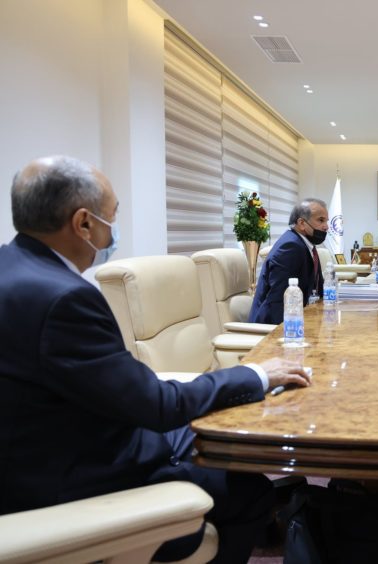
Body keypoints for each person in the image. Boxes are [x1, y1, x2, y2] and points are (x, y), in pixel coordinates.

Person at [0, 156, 314, 563]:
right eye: (112, 217)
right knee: (246, 488)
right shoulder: (64, 299)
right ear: (83, 223)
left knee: (215, 440)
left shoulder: (15, 270)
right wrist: (255, 374)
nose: (113, 229)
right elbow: (157, 406)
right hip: (72, 477)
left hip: (47, 440)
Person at [249, 198, 328, 324]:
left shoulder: (305, 244)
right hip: (274, 329)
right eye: (320, 220)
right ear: (302, 223)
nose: (326, 227)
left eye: (326, 221)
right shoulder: (291, 247)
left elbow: (319, 289)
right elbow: (279, 301)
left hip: (301, 319)